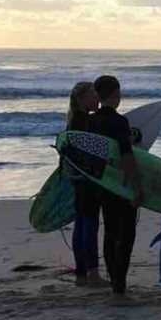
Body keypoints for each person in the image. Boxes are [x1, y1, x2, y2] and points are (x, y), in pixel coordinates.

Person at [90, 75, 143, 296]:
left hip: (101, 183)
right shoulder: (119, 121)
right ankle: (119, 285)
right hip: (121, 185)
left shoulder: (90, 121)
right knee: (126, 235)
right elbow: (126, 157)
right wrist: (136, 187)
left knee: (110, 232)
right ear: (115, 94)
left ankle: (115, 281)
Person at [66, 82, 103, 287]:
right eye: (93, 95)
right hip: (87, 180)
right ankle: (93, 275)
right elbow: (93, 152)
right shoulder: (84, 121)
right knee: (89, 226)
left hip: (78, 179)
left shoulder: (74, 119)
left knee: (81, 225)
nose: (97, 99)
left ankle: (82, 274)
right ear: (82, 99)